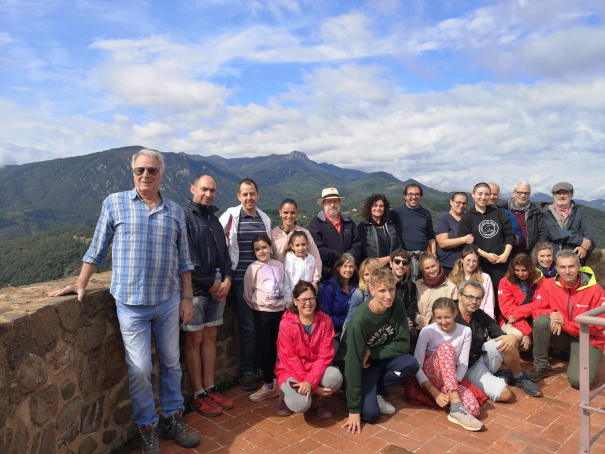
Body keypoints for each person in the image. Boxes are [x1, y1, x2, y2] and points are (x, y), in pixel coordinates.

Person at [48, 149, 199, 454]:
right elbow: (97, 247)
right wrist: (80, 283)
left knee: (171, 363)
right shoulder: (114, 203)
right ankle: (146, 426)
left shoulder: (175, 211)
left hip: (168, 300)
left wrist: (187, 297)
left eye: (152, 170)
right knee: (140, 369)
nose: (146, 175)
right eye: (141, 170)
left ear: (161, 174)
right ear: (133, 173)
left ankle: (172, 418)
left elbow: (184, 260)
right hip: (130, 303)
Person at [335, 268, 420, 433]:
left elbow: (403, 344)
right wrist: (353, 411)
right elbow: (352, 365)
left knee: (411, 363)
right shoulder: (360, 320)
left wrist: (372, 352)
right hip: (357, 364)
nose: (388, 296)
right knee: (371, 415)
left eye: (391, 289)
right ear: (371, 290)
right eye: (382, 290)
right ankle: (354, 391)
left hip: (376, 357)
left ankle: (376, 390)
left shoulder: (397, 304)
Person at [183, 175, 234, 417]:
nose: (208, 194)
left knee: (211, 338)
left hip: (216, 291)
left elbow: (224, 256)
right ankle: (198, 394)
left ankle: (211, 388)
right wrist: (210, 285)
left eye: (212, 190)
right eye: (204, 189)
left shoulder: (214, 220)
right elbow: (187, 258)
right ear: (193, 189)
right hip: (194, 292)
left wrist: (226, 280)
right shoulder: (184, 217)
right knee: (194, 341)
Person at [219, 178, 272, 391]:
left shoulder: (264, 218)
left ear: (258, 195)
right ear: (239, 196)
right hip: (241, 281)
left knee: (262, 327)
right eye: (245, 194)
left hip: (263, 282)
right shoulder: (231, 216)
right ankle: (246, 370)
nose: (249, 197)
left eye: (252, 193)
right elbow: (218, 241)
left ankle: (260, 367)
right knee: (249, 328)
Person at [528, 250, 605, 388]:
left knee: (579, 382)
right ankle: (541, 366)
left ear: (579, 266)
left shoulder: (595, 290)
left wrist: (566, 323)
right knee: (541, 321)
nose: (567, 271)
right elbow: (536, 310)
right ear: (556, 268)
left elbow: (599, 326)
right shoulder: (548, 284)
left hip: (587, 338)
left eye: (571, 266)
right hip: (562, 335)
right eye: (562, 267)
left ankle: (579, 358)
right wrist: (554, 313)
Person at [455, 280, 542, 400]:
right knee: (505, 395)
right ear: (459, 296)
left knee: (508, 342)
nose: (474, 302)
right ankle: (501, 376)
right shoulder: (449, 314)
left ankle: (518, 377)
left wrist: (512, 337)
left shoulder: (479, 314)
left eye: (478, 298)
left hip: (480, 356)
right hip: (465, 367)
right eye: (470, 297)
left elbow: (501, 335)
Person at [275, 281, 343, 418]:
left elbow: (325, 355)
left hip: (315, 367)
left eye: (311, 299)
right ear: (295, 301)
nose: (308, 303)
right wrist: (315, 387)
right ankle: (284, 395)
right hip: (291, 369)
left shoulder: (325, 321)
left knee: (335, 377)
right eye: (303, 300)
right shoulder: (286, 323)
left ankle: (319, 400)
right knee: (301, 405)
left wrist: (310, 382)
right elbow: (290, 358)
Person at [414, 298, 483, 432]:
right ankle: (456, 403)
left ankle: (454, 411)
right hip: (430, 377)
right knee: (446, 348)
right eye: (439, 317)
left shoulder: (465, 331)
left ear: (455, 314)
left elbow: (462, 364)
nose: (443, 322)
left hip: (452, 380)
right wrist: (435, 393)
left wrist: (449, 387)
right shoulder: (427, 331)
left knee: (474, 409)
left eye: (447, 317)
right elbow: (416, 365)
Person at [459, 183, 515, 308]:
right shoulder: (468, 217)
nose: (483, 197)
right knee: (481, 295)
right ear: (473, 195)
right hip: (479, 264)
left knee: (502, 294)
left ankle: (501, 322)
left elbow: (510, 235)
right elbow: (467, 244)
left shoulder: (499, 213)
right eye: (480, 194)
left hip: (501, 262)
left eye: (486, 194)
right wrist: (485, 255)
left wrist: (506, 254)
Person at [244, 234, 286, 401]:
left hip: (279, 312)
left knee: (278, 348)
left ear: (271, 248)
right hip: (262, 313)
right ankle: (268, 383)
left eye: (264, 247)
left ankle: (278, 381)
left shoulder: (279, 265)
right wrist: (258, 305)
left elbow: (285, 285)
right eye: (257, 249)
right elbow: (248, 293)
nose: (261, 251)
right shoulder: (252, 268)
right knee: (265, 348)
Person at [309, 187, 362, 281]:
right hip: (327, 275)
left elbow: (357, 244)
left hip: (349, 275)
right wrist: (340, 258)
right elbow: (317, 248)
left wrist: (348, 258)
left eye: (335, 201)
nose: (332, 205)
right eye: (329, 202)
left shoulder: (349, 222)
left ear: (339, 203)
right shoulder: (315, 223)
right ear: (323, 204)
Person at [497, 253, 543, 352]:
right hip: (510, 320)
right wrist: (526, 331)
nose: (520, 273)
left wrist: (520, 312)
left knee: (542, 324)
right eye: (517, 270)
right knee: (517, 335)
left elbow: (540, 304)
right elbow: (508, 310)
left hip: (531, 317)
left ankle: (540, 359)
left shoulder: (540, 280)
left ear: (530, 268)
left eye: (524, 270)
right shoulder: (505, 282)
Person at [540, 182, 595, 266]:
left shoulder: (579, 210)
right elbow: (555, 232)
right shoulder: (546, 211)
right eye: (558, 193)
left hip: (574, 255)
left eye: (565, 193)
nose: (561, 196)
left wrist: (584, 247)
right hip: (553, 257)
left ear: (571, 195)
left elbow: (588, 230)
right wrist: (580, 240)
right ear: (554, 195)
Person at [391, 183, 436, 281]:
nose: (413, 197)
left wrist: (434, 254)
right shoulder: (396, 212)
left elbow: (431, 236)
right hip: (404, 257)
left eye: (417, 194)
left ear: (421, 197)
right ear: (405, 196)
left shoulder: (426, 213)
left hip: (423, 256)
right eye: (410, 194)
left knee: (424, 284)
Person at [272, 198, 322, 286]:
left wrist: (315, 280)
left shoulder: (304, 233)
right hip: (277, 281)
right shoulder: (273, 234)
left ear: (297, 213)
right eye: (286, 212)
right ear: (280, 213)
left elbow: (316, 257)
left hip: (299, 282)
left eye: (292, 212)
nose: (289, 216)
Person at [319, 253, 359, 348]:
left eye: (351, 266)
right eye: (345, 266)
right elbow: (325, 317)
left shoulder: (356, 287)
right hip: (333, 333)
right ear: (338, 267)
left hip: (352, 331)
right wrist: (346, 321)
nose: (348, 270)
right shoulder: (329, 288)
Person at [449, 247, 495, 319]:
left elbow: (489, 304)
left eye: (474, 261)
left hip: (480, 317)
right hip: (458, 318)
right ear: (462, 259)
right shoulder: (453, 278)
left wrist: (488, 322)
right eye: (468, 260)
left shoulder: (485, 278)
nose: (471, 264)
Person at [435, 192, 474, 276]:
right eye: (458, 202)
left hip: (467, 265)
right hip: (447, 264)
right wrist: (464, 239)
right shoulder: (444, 218)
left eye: (464, 203)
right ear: (451, 202)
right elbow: (443, 243)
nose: (461, 205)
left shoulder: (468, 218)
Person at [415, 253, 457, 329]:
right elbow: (413, 310)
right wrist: (420, 320)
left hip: (444, 329)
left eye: (433, 266)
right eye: (427, 268)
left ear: (438, 263)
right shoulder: (417, 285)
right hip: (422, 329)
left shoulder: (451, 286)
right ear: (422, 268)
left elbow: (454, 310)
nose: (431, 270)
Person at [506, 182, 549, 255]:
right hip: (508, 253)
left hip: (529, 253)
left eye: (526, 193)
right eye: (520, 192)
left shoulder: (535, 212)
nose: (523, 195)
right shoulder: (504, 209)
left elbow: (543, 232)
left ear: (529, 195)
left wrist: (537, 250)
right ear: (514, 193)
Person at [358, 194, 401, 265]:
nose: (378, 208)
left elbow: (398, 246)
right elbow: (364, 248)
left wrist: (388, 258)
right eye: (375, 205)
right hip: (371, 266)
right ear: (370, 207)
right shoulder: (363, 227)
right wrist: (377, 262)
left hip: (390, 267)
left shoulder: (391, 226)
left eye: (381, 206)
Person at [343, 258, 381, 333]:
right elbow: (350, 321)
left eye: (373, 273)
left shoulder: (386, 292)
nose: (370, 278)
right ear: (362, 277)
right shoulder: (358, 294)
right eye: (366, 274)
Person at [390, 250, 419, 344]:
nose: (401, 265)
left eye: (405, 263)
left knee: (413, 335)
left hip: (403, 322)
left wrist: (407, 321)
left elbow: (411, 308)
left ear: (408, 266)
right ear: (391, 263)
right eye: (397, 262)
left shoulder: (411, 286)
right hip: (385, 321)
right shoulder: (383, 282)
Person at [283, 231, 316, 307]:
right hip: (294, 300)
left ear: (308, 244)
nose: (301, 248)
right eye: (297, 245)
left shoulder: (311, 259)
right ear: (292, 246)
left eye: (303, 244)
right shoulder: (289, 260)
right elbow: (286, 283)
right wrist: (288, 303)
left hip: (308, 301)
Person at [487, 183, 523, 247]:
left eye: (495, 194)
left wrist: (505, 235)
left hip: (503, 255)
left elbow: (519, 240)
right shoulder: (473, 214)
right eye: (489, 194)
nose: (492, 197)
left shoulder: (507, 214)